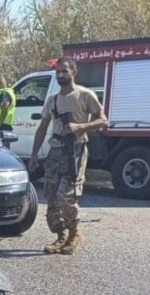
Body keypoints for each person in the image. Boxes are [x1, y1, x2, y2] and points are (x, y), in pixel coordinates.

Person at [29, 57, 107, 255]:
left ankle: (74, 234)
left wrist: (80, 127)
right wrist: (34, 154)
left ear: (74, 72)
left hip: (75, 151)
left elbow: (103, 121)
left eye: (65, 71)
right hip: (55, 151)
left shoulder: (84, 95)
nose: (61, 75)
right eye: (58, 72)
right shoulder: (53, 100)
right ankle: (60, 236)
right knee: (51, 196)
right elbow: (42, 127)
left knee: (67, 197)